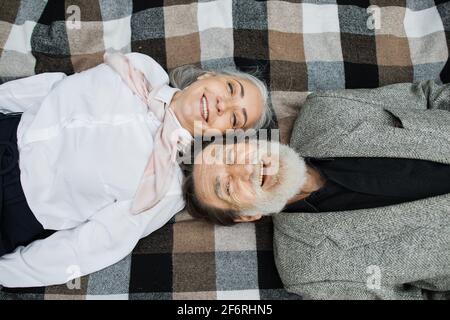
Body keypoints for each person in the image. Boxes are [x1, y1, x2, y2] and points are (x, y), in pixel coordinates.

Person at [0, 52, 270, 287]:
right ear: (207, 77)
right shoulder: (141, 67)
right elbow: (56, 88)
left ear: (220, 137)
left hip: (13, 205)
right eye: (231, 89)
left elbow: (90, 247)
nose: (224, 104)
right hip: (8, 126)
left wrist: (7, 273)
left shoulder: (165, 185)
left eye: (235, 118)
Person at [183, 80, 450, 299]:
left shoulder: (328, 109)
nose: (245, 169)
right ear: (246, 216)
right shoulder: (308, 271)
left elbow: (430, 95)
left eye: (231, 155)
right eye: (228, 186)